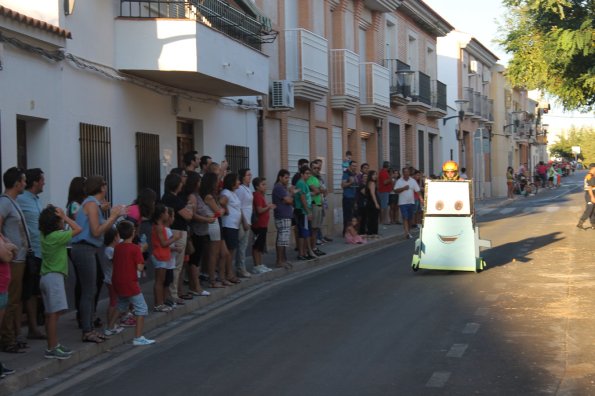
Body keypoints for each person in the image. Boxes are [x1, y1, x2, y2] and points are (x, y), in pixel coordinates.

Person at [70, 175, 124, 343]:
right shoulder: (91, 204)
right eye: (105, 184)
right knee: (89, 291)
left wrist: (107, 212)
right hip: (84, 248)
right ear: (101, 187)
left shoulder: (92, 204)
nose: (106, 187)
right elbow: (96, 231)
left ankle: (89, 328)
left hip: (88, 249)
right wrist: (113, 216)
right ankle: (87, 330)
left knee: (91, 289)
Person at [39, 205, 82, 359]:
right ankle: (52, 348)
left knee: (50, 313)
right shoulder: (57, 236)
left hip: (45, 277)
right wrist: (65, 217)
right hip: (54, 278)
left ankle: (54, 344)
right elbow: (78, 229)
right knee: (53, 315)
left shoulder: (44, 236)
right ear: (55, 222)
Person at [0, 167, 30, 353]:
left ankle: (13, 336)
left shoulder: (13, 202)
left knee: (16, 300)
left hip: (19, 257)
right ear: (17, 182)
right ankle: (7, 339)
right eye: (24, 180)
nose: (25, 184)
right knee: (10, 300)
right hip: (12, 259)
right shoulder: (4, 203)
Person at [110, 221, 154, 346]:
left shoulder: (117, 247)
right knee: (142, 308)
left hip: (118, 281)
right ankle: (138, 337)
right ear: (133, 233)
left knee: (121, 304)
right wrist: (142, 250)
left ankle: (110, 328)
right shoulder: (135, 249)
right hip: (130, 282)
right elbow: (140, 268)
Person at [16, 168, 46, 341]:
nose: (44, 183)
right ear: (35, 182)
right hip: (29, 252)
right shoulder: (21, 199)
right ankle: (18, 332)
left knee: (34, 291)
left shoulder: (36, 200)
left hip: (39, 251)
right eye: (42, 180)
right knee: (25, 293)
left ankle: (33, 328)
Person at [161, 173, 193, 304]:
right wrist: (190, 207)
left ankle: (172, 293)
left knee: (175, 265)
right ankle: (172, 294)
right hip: (177, 232)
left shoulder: (170, 197)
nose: (182, 184)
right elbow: (188, 216)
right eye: (180, 182)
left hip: (176, 231)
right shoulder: (172, 199)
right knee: (176, 265)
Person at [183, 172, 212, 297]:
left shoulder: (197, 195)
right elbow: (192, 215)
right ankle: (196, 287)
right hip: (196, 232)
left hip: (202, 231)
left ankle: (194, 286)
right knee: (194, 260)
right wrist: (207, 219)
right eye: (198, 181)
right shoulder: (192, 197)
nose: (200, 184)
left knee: (196, 259)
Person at [200, 172, 228, 288]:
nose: (218, 183)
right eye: (216, 181)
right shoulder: (209, 196)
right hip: (213, 225)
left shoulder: (211, 195)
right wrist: (222, 208)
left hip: (215, 224)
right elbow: (219, 212)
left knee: (223, 253)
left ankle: (221, 278)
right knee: (214, 254)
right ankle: (212, 280)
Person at [151, 204, 180, 312]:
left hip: (162, 255)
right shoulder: (159, 227)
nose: (168, 215)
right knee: (159, 281)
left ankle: (160, 303)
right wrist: (175, 238)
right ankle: (158, 304)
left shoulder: (160, 226)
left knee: (161, 281)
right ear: (162, 214)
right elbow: (163, 243)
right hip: (160, 255)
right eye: (167, 213)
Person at [99, 226, 126, 334]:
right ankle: (110, 326)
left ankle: (112, 324)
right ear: (115, 238)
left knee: (115, 301)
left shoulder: (111, 249)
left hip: (112, 278)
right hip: (111, 279)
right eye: (119, 236)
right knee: (114, 302)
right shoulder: (110, 250)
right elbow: (117, 261)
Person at [219, 173, 242, 284]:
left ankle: (229, 273)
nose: (239, 182)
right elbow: (222, 201)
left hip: (234, 226)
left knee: (231, 251)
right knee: (229, 251)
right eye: (237, 180)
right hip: (228, 225)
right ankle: (228, 274)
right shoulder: (226, 192)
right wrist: (226, 210)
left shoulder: (233, 193)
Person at [0, 233, 18, 374]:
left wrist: (9, 247)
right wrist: (8, 248)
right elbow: (6, 256)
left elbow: (14, 253)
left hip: (3, 288)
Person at [252, 177, 275, 272]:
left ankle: (260, 264)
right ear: (257, 187)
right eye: (263, 185)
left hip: (263, 225)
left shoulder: (261, 195)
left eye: (265, 184)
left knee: (260, 246)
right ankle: (256, 266)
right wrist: (269, 206)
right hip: (259, 225)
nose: (265, 186)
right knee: (257, 246)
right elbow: (259, 210)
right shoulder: (257, 195)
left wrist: (268, 206)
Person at [272, 169, 294, 268]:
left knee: (283, 239)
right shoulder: (279, 188)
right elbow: (289, 200)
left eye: (288, 178)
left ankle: (283, 259)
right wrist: (291, 194)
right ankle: (279, 260)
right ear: (280, 177)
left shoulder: (283, 188)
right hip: (282, 216)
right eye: (285, 178)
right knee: (282, 239)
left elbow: (289, 201)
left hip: (285, 215)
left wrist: (288, 198)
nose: (287, 180)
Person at [394, 167, 423, 239]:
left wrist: (421, 199)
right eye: (404, 172)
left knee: (410, 218)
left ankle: (409, 231)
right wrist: (403, 188)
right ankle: (406, 232)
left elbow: (417, 190)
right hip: (402, 203)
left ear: (409, 173)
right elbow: (395, 190)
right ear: (403, 173)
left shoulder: (412, 181)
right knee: (405, 217)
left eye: (407, 172)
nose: (406, 173)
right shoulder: (399, 181)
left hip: (411, 202)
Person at [234, 168, 253, 278]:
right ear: (242, 177)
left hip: (247, 220)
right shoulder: (240, 189)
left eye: (250, 175)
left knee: (243, 245)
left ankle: (240, 266)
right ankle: (240, 268)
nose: (250, 177)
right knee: (241, 246)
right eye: (248, 175)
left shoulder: (247, 188)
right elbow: (239, 206)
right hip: (242, 221)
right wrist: (244, 221)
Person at [295, 166, 316, 260]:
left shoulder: (304, 183)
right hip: (303, 211)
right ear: (302, 174)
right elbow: (303, 199)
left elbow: (306, 196)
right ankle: (303, 253)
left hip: (305, 211)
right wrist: (308, 212)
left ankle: (303, 253)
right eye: (306, 173)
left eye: (309, 173)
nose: (308, 175)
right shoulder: (301, 183)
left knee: (304, 233)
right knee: (304, 232)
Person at [307, 162, 326, 256]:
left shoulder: (317, 179)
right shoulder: (310, 179)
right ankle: (310, 248)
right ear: (310, 169)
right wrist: (319, 190)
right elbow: (317, 190)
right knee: (313, 228)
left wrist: (319, 190)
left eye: (318, 168)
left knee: (316, 229)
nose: (317, 170)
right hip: (313, 205)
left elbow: (324, 190)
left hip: (319, 204)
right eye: (314, 168)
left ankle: (314, 247)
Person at [341, 160, 358, 234]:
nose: (354, 167)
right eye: (353, 166)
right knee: (347, 216)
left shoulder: (354, 174)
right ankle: (346, 232)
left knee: (353, 216)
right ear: (350, 166)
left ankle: (352, 231)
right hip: (347, 197)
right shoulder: (346, 174)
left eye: (355, 166)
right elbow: (343, 185)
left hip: (354, 197)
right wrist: (350, 182)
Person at [577, 163, 595, 230]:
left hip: (593, 193)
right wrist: (592, 197)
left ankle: (593, 224)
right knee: (589, 209)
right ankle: (580, 223)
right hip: (590, 194)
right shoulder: (589, 176)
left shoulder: (592, 175)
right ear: (593, 168)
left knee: (593, 210)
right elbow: (590, 187)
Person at [364, 170, 380, 237]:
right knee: (374, 218)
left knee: (371, 218)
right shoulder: (372, 183)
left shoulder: (368, 183)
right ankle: (373, 233)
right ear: (370, 176)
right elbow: (372, 194)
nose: (375, 176)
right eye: (373, 175)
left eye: (376, 174)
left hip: (369, 202)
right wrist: (376, 203)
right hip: (372, 203)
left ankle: (371, 232)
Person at [378, 161, 392, 225]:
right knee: (384, 207)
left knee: (384, 206)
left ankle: (383, 220)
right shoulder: (383, 172)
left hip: (385, 191)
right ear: (388, 166)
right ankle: (383, 221)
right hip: (383, 192)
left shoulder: (385, 172)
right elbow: (384, 182)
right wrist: (391, 178)